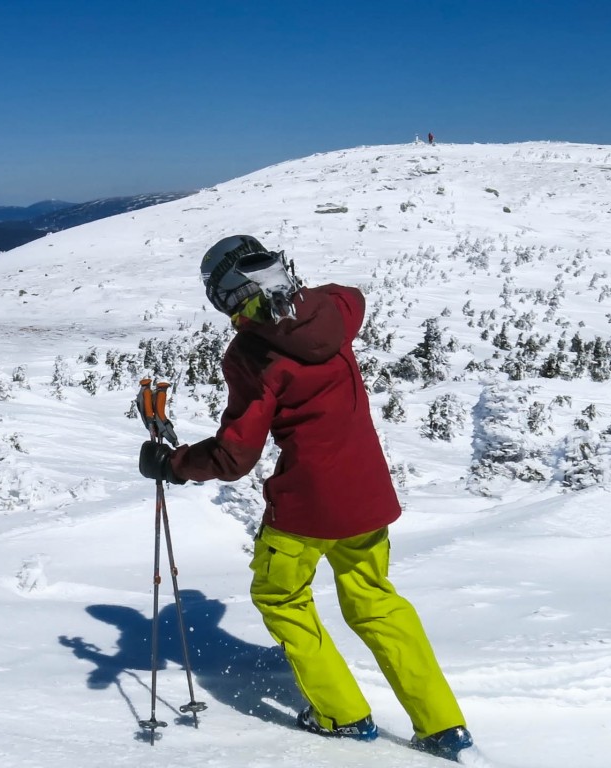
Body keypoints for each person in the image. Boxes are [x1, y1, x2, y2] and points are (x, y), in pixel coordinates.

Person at [137, 235, 474, 762]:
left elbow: (235, 456)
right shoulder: (335, 312)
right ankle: (442, 724)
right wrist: (295, 296)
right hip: (367, 497)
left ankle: (343, 715)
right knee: (376, 601)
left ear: (228, 295)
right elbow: (351, 295)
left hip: (307, 506)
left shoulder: (253, 354)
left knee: (282, 597)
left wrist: (173, 464)